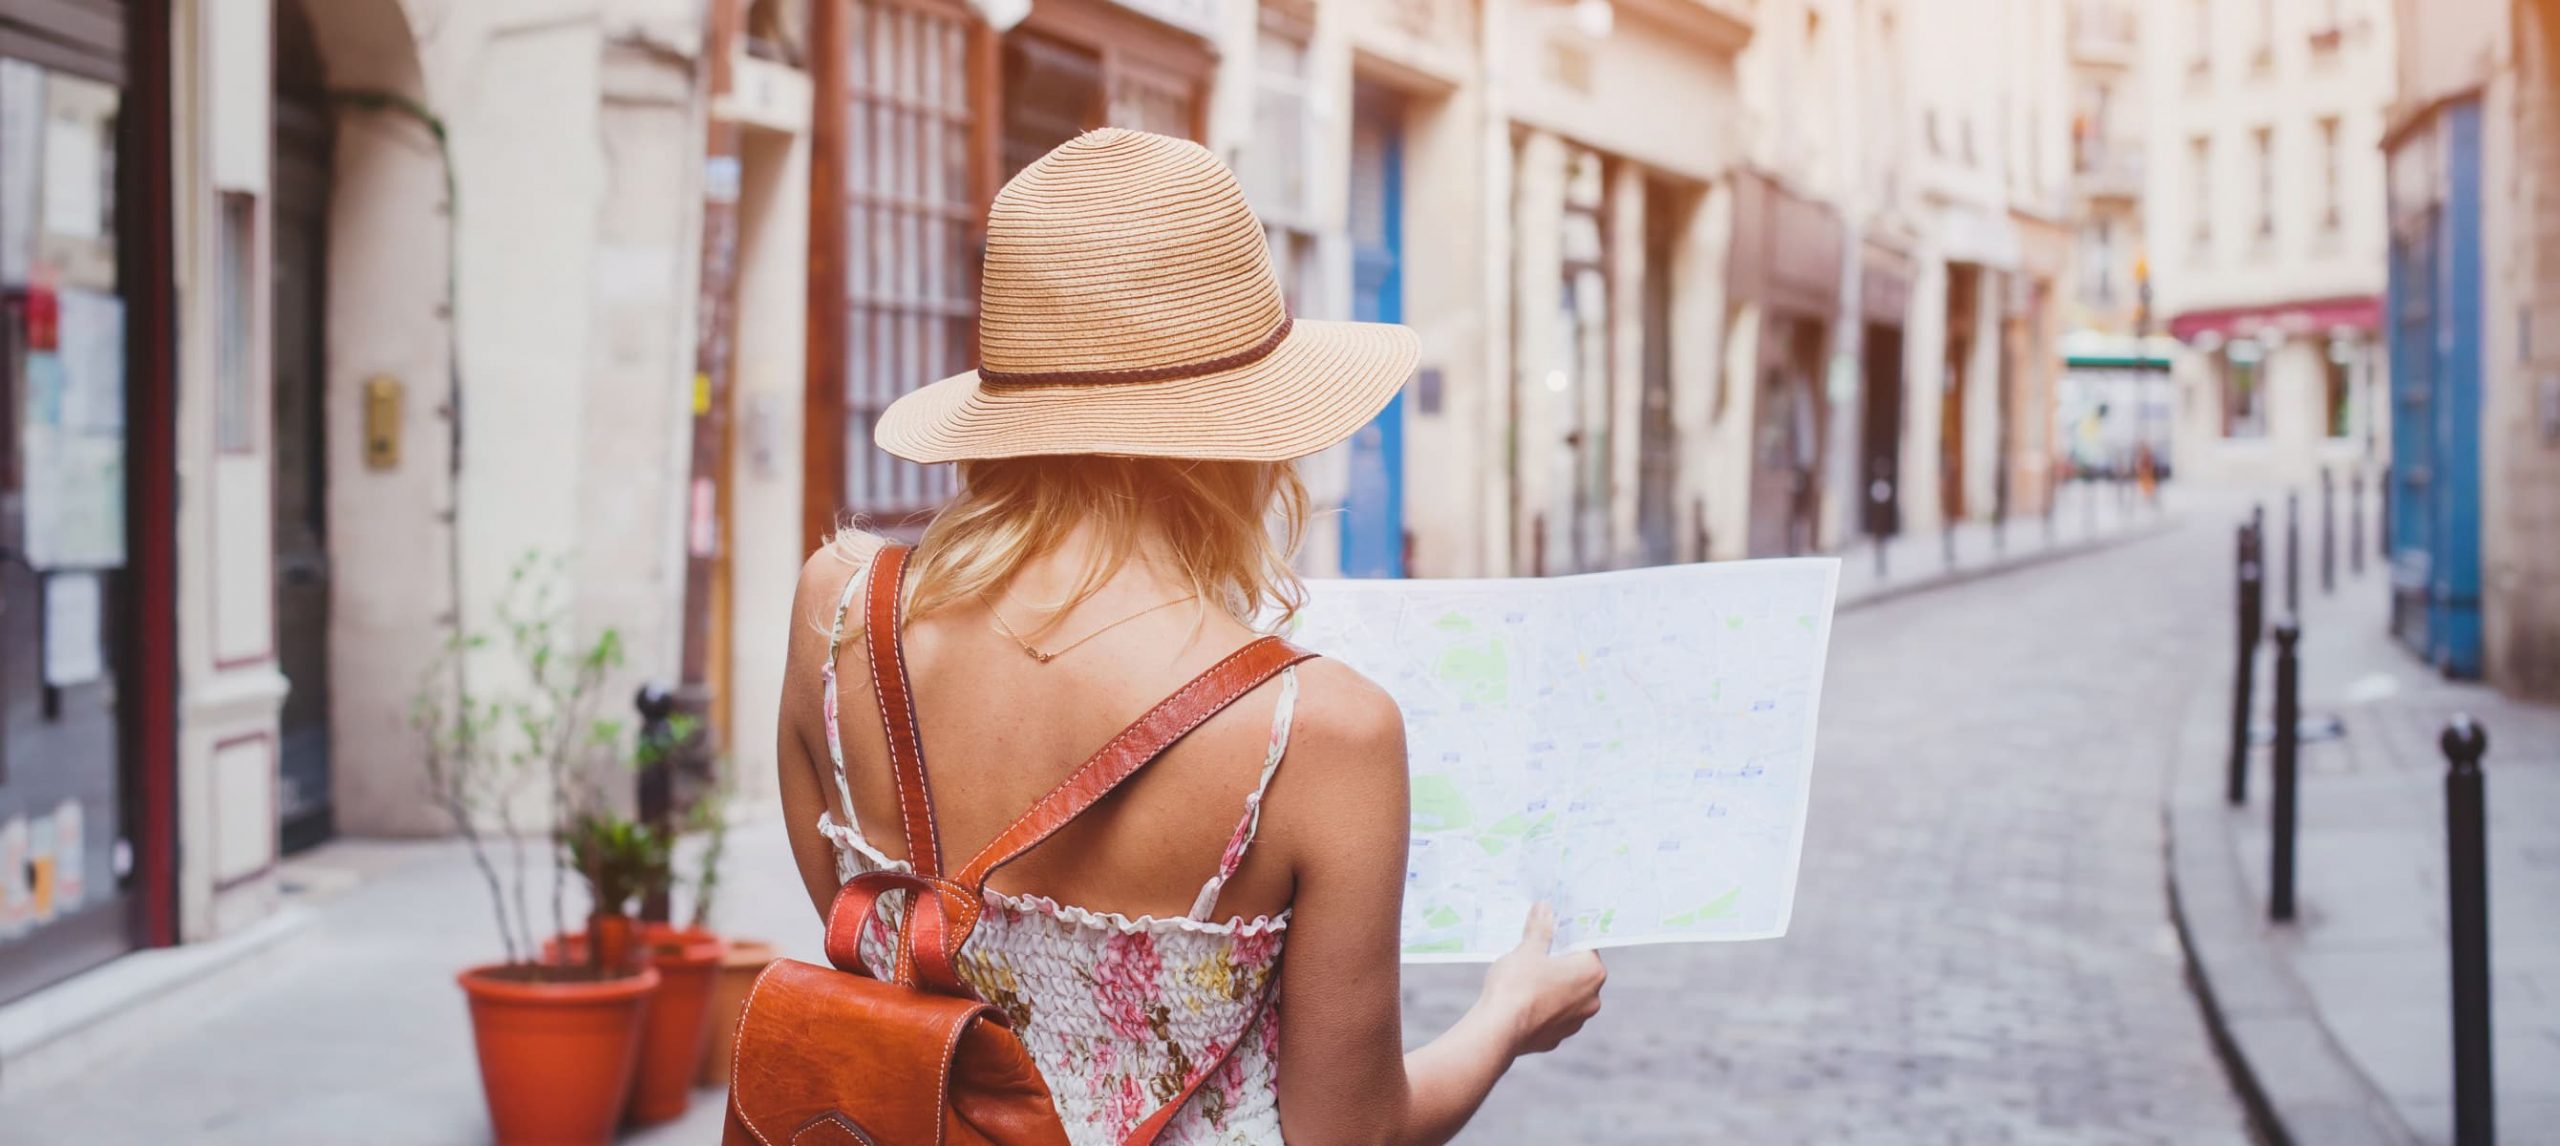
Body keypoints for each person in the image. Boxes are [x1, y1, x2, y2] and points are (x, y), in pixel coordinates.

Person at [773, 129, 1606, 1145]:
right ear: (1243, 433)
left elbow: (880, 955)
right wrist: (1506, 1017)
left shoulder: (837, 609)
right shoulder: (1319, 734)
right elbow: (1353, 1134)